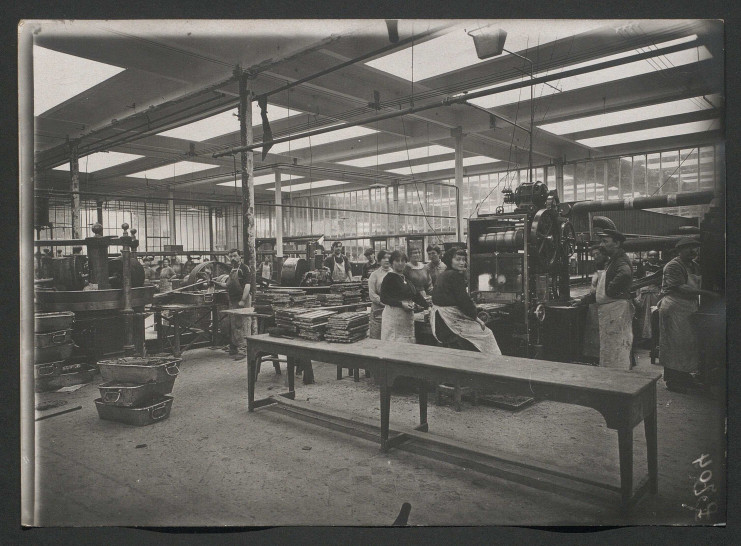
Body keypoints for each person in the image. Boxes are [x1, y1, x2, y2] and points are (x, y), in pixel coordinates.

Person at [658, 238, 718, 392]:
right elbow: (682, 288)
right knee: (674, 345)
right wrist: (706, 293)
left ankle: (684, 377)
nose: (693, 252)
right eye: (689, 248)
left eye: (695, 249)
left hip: (688, 307)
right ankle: (673, 380)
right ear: (679, 250)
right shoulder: (673, 266)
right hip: (674, 306)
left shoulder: (694, 265)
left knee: (687, 344)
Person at [578, 229, 634, 369]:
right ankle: (610, 377)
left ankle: (617, 380)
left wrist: (611, 291)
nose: (601, 245)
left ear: (617, 243)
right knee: (610, 347)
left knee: (617, 347)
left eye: (605, 241)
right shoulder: (612, 261)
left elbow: (625, 274)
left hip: (616, 310)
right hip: (611, 310)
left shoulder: (620, 260)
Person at [430, 247, 501, 354]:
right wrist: (476, 318)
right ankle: (493, 364)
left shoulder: (444, 273)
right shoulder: (455, 275)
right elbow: (463, 301)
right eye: (458, 259)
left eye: (464, 259)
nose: (462, 263)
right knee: (486, 335)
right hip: (449, 320)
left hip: (439, 320)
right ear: (450, 260)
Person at [380, 250, 429, 343]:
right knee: (394, 342)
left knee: (406, 343)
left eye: (403, 261)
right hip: (393, 316)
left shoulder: (405, 277)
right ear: (391, 263)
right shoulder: (389, 278)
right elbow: (384, 298)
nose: (400, 263)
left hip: (405, 317)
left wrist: (428, 306)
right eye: (397, 261)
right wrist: (401, 304)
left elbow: (415, 295)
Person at [572, 242, 609, 363]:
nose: (596, 257)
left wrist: (583, 300)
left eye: (598, 254)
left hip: (604, 304)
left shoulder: (609, 268)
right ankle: (595, 358)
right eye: (593, 255)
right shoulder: (599, 268)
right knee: (595, 333)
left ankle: (601, 358)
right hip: (595, 304)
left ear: (604, 254)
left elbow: (600, 290)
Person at [213, 249, 252, 360]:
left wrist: (243, 300)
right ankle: (234, 347)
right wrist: (216, 283)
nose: (233, 258)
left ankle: (243, 350)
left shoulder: (245, 268)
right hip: (233, 300)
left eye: (235, 255)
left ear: (240, 256)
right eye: (231, 256)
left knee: (242, 324)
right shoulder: (232, 270)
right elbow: (227, 285)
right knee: (233, 324)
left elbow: (247, 286)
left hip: (242, 300)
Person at [367, 249, 391, 339]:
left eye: (389, 258)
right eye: (384, 258)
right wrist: (384, 302)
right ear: (379, 260)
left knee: (389, 335)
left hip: (392, 309)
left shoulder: (395, 273)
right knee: (376, 336)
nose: (387, 260)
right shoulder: (374, 275)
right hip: (378, 309)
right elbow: (372, 294)